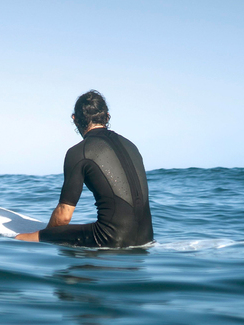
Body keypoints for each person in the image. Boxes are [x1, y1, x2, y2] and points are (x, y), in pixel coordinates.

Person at [16, 90, 153, 248]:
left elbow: (64, 216)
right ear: (107, 116)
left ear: (74, 119)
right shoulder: (131, 146)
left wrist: (47, 237)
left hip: (111, 240)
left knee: (22, 238)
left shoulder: (79, 152)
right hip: (146, 239)